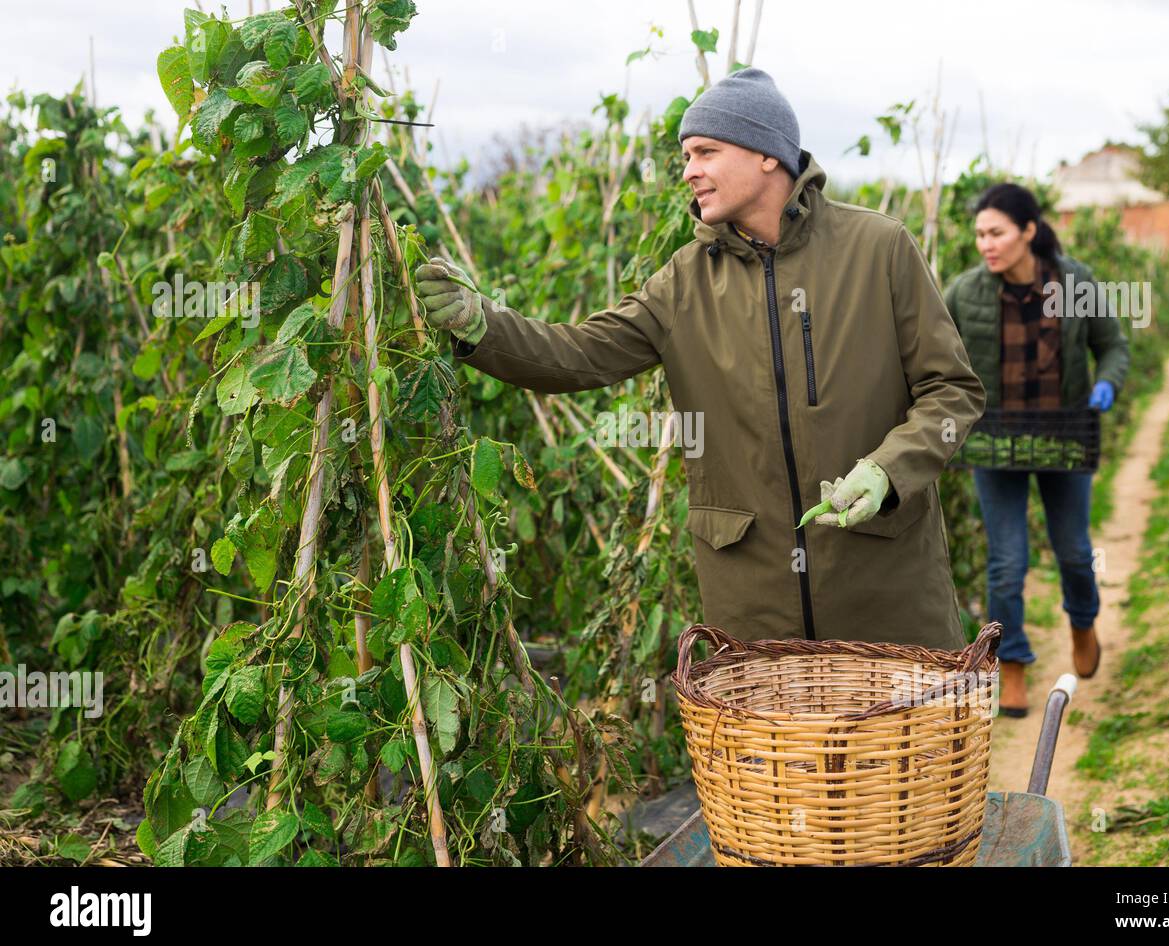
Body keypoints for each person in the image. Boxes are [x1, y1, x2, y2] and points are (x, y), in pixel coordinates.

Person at [412, 68, 985, 649]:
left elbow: (952, 390)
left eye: (706, 151)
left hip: (884, 587)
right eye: (686, 155)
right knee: (769, 741)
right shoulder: (683, 282)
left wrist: (889, 468)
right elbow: (578, 354)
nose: (689, 171)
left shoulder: (879, 249)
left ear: (767, 154)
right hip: (754, 604)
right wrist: (483, 324)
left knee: (898, 740)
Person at [944, 183, 1130, 715]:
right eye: (980, 234)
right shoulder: (966, 292)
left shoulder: (1075, 284)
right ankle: (1013, 666)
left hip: (1065, 437)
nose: (986, 244)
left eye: (996, 232)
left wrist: (1107, 385)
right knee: (1006, 563)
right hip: (998, 441)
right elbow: (939, 360)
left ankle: (1082, 620)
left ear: (1028, 231)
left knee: (1073, 549)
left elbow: (1112, 345)